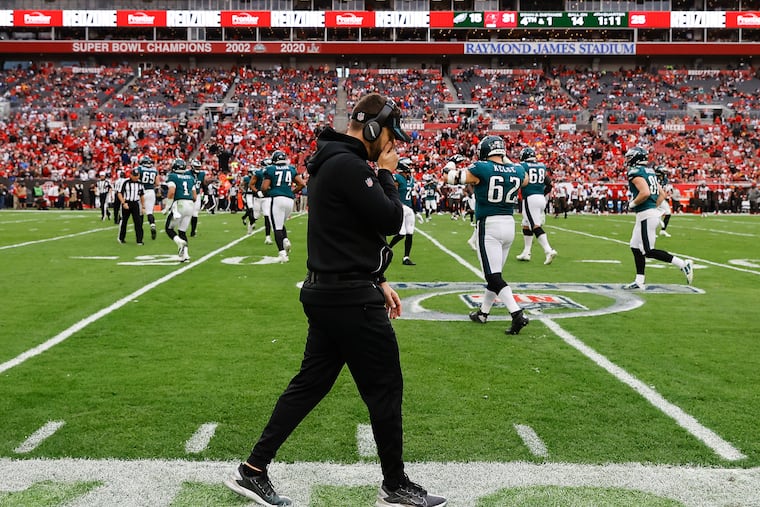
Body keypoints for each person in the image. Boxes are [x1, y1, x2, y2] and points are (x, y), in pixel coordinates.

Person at [224, 92, 447, 507]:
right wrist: (387, 175)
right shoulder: (348, 164)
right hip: (348, 299)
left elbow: (346, 234)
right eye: (390, 138)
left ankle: (252, 470)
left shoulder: (333, 160)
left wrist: (375, 277)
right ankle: (394, 484)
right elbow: (390, 219)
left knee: (310, 384)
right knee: (384, 388)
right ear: (375, 129)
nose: (393, 146)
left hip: (334, 289)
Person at [446, 135, 530, 336]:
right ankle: (483, 313)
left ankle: (517, 313)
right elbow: (525, 180)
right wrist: (506, 160)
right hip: (509, 225)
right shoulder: (517, 170)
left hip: (489, 225)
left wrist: (450, 163)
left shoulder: (482, 167)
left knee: (493, 276)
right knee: (496, 274)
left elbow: (451, 178)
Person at [622, 147, 693, 290]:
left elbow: (645, 193)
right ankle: (639, 280)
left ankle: (683, 264)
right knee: (635, 246)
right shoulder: (649, 172)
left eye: (630, 157)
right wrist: (653, 208)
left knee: (648, 251)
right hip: (648, 214)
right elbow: (662, 194)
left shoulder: (636, 172)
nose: (628, 160)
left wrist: (631, 204)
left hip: (646, 215)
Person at [260, 150, 306, 263]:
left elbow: (264, 188)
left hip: (276, 199)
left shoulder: (270, 169)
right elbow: (302, 184)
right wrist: (291, 192)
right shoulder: (291, 169)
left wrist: (268, 193)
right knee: (280, 223)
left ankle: (282, 254)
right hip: (289, 201)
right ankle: (285, 240)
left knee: (277, 227)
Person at [514, 147, 558, 265]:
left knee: (534, 225)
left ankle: (548, 250)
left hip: (530, 198)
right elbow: (549, 184)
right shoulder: (542, 166)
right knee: (526, 224)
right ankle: (526, 252)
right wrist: (541, 194)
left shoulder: (523, 166)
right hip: (540, 198)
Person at [163, 158, 197, 262]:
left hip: (179, 204)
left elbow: (172, 191)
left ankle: (179, 243)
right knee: (182, 231)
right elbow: (195, 196)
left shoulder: (172, 176)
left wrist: (167, 206)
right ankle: (185, 255)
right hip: (190, 204)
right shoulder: (190, 177)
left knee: (169, 229)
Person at [387, 157, 418, 266]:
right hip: (401, 207)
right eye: (408, 165)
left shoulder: (411, 179)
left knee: (410, 233)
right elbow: (393, 192)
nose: (410, 167)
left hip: (409, 208)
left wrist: (416, 210)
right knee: (401, 233)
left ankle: (406, 257)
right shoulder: (397, 178)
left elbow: (412, 196)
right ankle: (387, 248)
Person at [117, 169, 145, 245]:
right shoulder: (125, 182)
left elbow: (142, 195)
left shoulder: (140, 183)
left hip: (135, 203)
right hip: (127, 202)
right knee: (124, 221)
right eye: (134, 175)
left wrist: (143, 207)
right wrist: (123, 203)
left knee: (138, 222)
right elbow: (119, 193)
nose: (136, 177)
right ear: (131, 175)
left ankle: (139, 240)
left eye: (137, 175)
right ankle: (121, 238)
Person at [135, 155, 160, 240]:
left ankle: (140, 230)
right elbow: (157, 183)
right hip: (151, 191)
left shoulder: (140, 169)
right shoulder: (154, 170)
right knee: (149, 212)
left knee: (140, 212)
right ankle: (152, 224)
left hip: (141, 191)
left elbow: (136, 178)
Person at [189, 158, 210, 237]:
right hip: (187, 195)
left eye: (199, 167)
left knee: (195, 213)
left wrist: (206, 195)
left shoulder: (202, 174)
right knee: (185, 213)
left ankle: (193, 231)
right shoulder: (187, 173)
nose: (198, 169)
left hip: (197, 195)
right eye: (196, 167)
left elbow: (204, 185)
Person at [655, 166, 673, 237]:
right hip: (654, 198)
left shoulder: (665, 179)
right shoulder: (654, 179)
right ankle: (652, 232)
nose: (665, 173)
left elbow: (665, 189)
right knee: (654, 215)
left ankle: (663, 230)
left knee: (668, 213)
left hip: (661, 198)